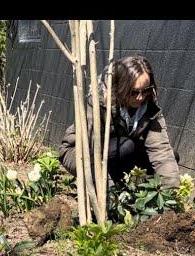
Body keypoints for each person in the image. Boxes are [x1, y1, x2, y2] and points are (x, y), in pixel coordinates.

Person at [59, 55, 180, 188]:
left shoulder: (149, 107)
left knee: (171, 156)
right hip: (81, 153)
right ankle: (112, 186)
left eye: (145, 91)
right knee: (125, 146)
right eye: (134, 92)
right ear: (121, 88)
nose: (140, 97)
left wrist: (170, 194)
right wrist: (108, 194)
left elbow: (161, 151)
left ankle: (131, 188)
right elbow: (91, 152)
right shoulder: (99, 102)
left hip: (119, 154)